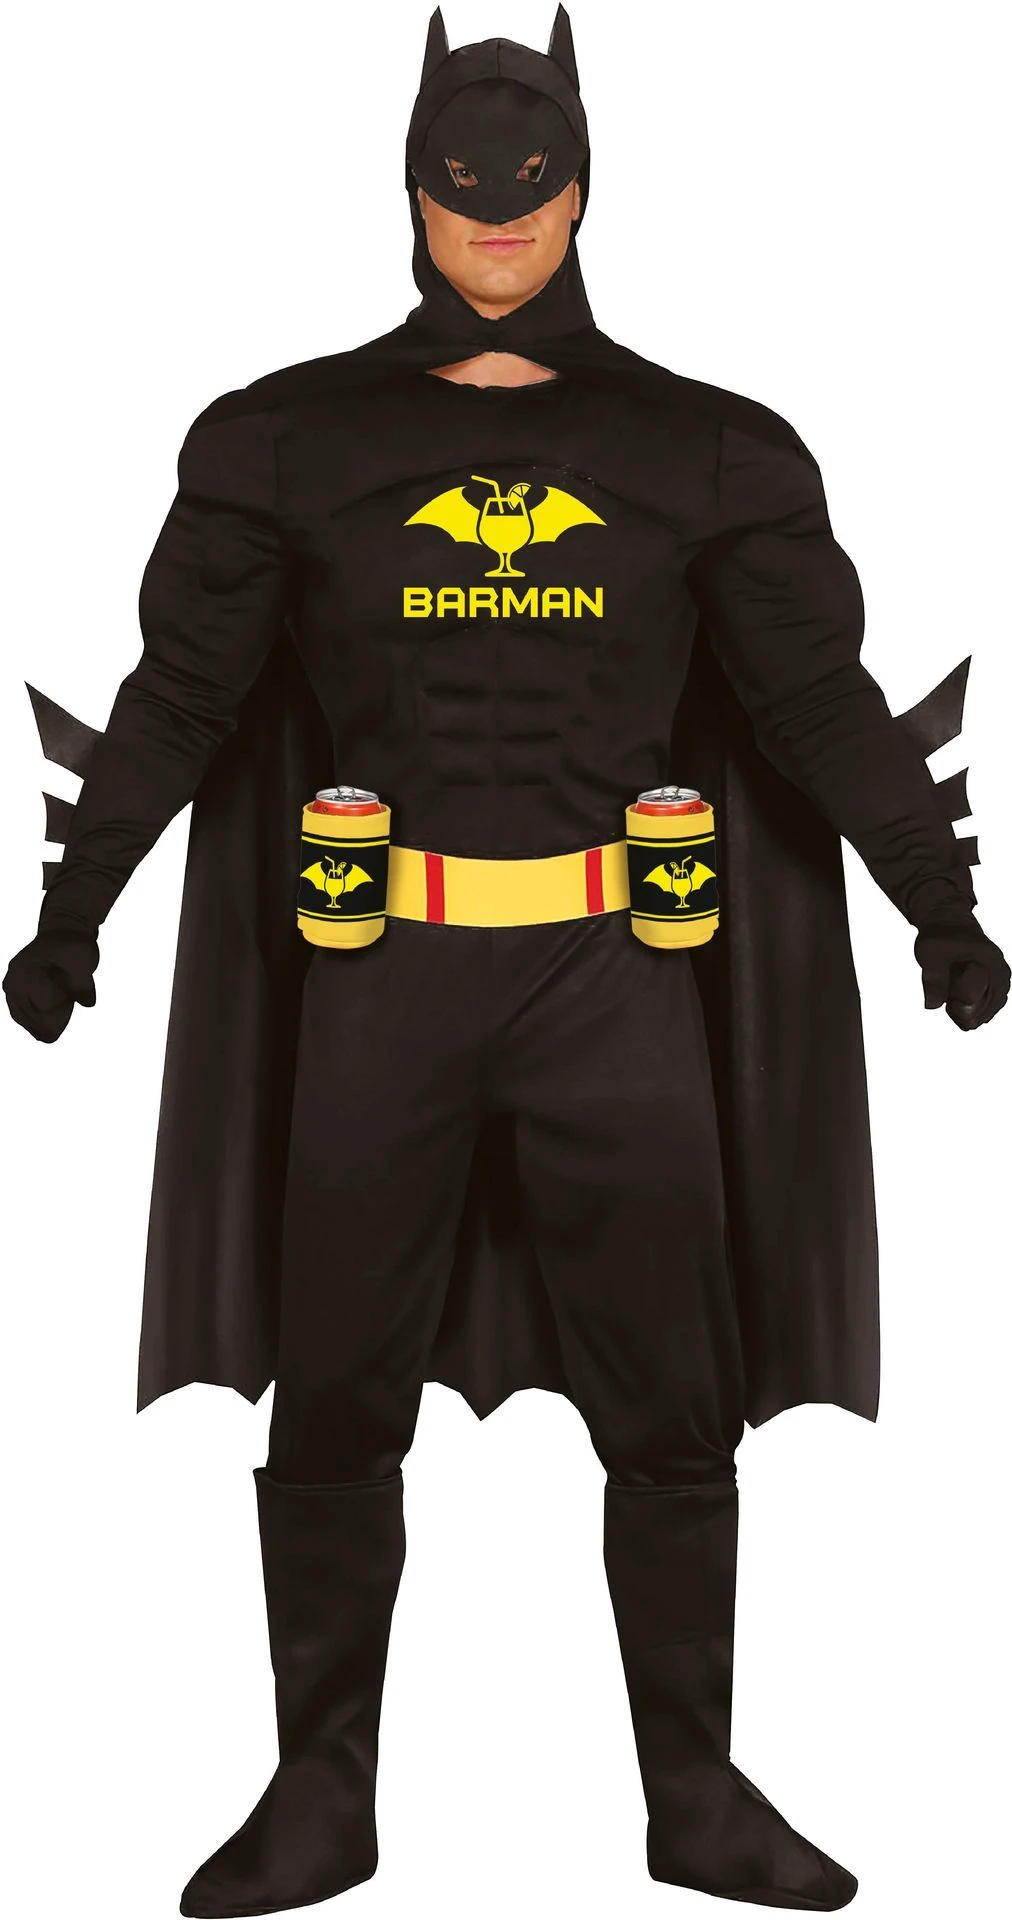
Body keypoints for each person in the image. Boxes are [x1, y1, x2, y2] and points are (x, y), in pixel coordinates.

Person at [4, 9, 1009, 1917]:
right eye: (463, 175)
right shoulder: (288, 442)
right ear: (409, 184)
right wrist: (76, 917)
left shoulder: (705, 451)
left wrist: (936, 905)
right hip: (379, 979)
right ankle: (322, 1795)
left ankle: (694, 1796)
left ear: (584, 183)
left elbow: (814, 704)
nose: (496, 210)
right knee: (332, 1386)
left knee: (675, 1391)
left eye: (529, 173)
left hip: (615, 982)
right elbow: (187, 696)